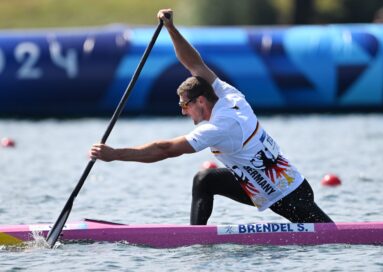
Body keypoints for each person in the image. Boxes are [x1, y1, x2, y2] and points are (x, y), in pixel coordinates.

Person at [89, 9, 333, 225]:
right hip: (258, 184)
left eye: (185, 105)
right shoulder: (225, 93)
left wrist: (115, 154)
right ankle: (197, 239)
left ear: (201, 101)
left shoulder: (218, 127)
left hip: (287, 194)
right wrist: (171, 29)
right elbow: (193, 63)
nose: (183, 111)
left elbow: (165, 149)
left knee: (329, 235)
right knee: (205, 179)